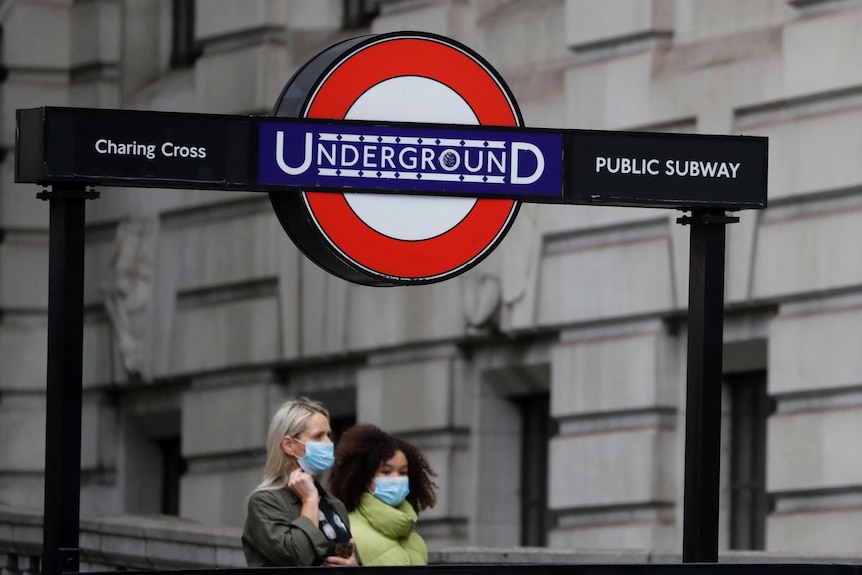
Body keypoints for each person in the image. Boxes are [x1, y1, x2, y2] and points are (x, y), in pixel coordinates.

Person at [242, 398, 359, 567]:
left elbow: (349, 556)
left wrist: (354, 567)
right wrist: (309, 501)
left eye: (328, 435)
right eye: (318, 436)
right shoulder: (264, 502)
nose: (329, 443)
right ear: (289, 445)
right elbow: (296, 558)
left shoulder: (333, 504)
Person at [328, 424, 437, 566]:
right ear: (365, 477)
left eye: (403, 472)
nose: (396, 478)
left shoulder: (416, 542)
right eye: (386, 471)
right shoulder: (346, 530)